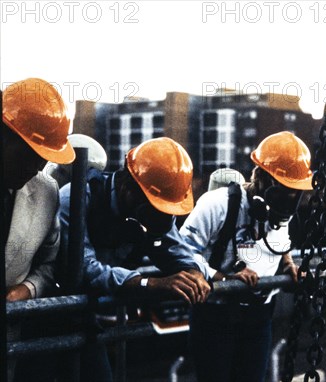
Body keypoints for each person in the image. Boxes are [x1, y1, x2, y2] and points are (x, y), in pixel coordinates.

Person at [58, 137, 211, 381]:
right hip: (47, 314)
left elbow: (175, 250)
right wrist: (148, 283)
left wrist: (192, 272)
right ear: (127, 187)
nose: (160, 219)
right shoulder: (77, 198)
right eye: (155, 209)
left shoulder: (153, 213)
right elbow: (84, 268)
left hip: (86, 318)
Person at [180, 131, 310, 382]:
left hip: (258, 319)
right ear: (260, 177)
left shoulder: (283, 213)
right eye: (282, 190)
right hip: (215, 318)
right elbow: (183, 252)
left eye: (293, 192)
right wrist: (223, 277)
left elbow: (280, 243)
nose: (288, 199)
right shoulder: (215, 204)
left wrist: (289, 265)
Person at [1, 78, 75, 381]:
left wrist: (26, 290)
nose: (36, 167)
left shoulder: (46, 191)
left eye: (44, 159)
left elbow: (48, 263)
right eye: (28, 154)